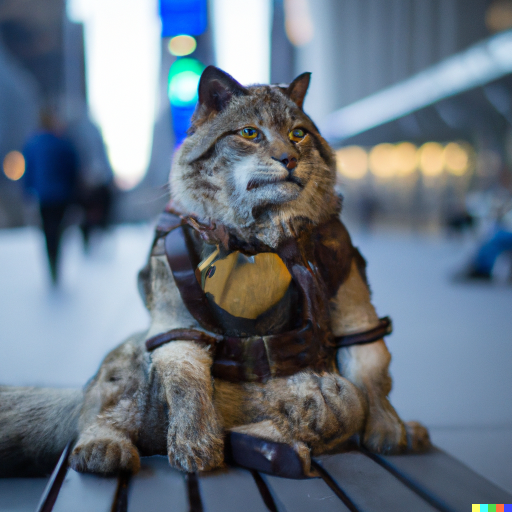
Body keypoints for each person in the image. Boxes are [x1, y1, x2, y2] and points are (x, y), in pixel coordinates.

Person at [22, 110, 79, 284]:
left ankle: (51, 262)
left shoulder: (32, 143)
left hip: (43, 196)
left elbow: (28, 170)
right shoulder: (62, 142)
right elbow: (72, 167)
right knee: (59, 229)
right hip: (62, 195)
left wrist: (28, 191)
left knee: (48, 231)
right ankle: (57, 259)